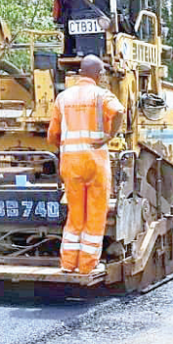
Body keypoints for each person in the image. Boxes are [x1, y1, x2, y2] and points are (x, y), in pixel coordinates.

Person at [47, 55, 124, 275]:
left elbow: (53, 134)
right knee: (95, 213)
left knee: (75, 214)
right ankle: (87, 265)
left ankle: (68, 264)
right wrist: (109, 136)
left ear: (81, 73)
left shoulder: (63, 97)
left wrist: (62, 143)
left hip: (71, 163)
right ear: (98, 75)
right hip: (95, 162)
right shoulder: (101, 95)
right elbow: (118, 111)